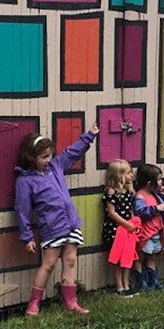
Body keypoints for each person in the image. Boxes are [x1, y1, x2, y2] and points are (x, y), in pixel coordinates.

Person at [15, 124, 99, 316]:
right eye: (43, 157)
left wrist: (89, 136)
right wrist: (27, 236)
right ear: (31, 157)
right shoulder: (25, 180)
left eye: (50, 155)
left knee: (69, 260)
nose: (48, 159)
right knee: (50, 262)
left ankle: (70, 301)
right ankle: (33, 304)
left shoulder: (56, 166)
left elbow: (72, 152)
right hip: (52, 226)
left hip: (70, 222)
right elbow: (22, 210)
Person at [131, 163, 164, 291]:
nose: (161, 182)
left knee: (152, 258)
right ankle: (140, 282)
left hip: (156, 233)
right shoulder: (140, 197)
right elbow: (140, 212)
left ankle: (153, 281)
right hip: (145, 234)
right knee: (140, 258)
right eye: (159, 179)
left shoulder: (155, 195)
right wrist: (156, 208)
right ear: (149, 183)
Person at [102, 160, 139, 296]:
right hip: (115, 230)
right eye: (128, 173)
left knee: (128, 257)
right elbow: (112, 213)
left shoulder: (128, 191)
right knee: (118, 259)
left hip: (128, 230)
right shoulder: (111, 192)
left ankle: (126, 284)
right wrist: (126, 224)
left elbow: (130, 210)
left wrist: (134, 223)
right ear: (119, 175)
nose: (131, 175)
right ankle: (119, 287)